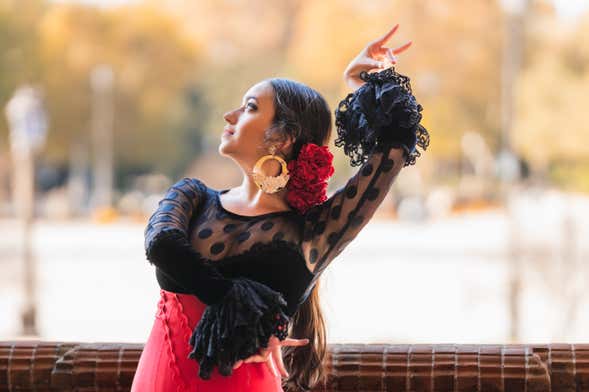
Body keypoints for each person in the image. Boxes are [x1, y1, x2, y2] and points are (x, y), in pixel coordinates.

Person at [130, 23, 429, 392]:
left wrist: (360, 83)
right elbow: (160, 245)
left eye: (250, 107)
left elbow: (393, 151)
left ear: (283, 137)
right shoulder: (193, 195)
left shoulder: (315, 232)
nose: (230, 115)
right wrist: (237, 303)